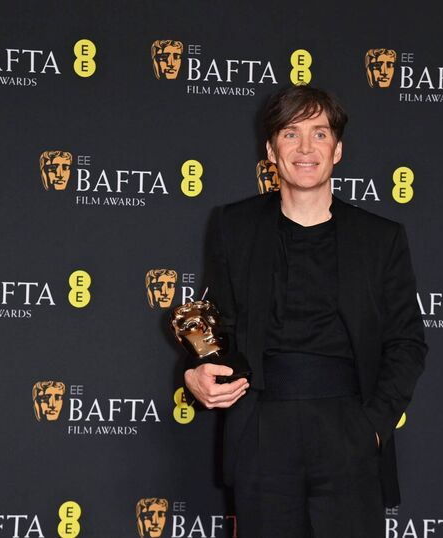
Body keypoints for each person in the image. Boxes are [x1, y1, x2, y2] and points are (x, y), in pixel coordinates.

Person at [183, 86, 427, 537]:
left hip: (348, 428)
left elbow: (407, 342)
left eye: (319, 133)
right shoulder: (234, 226)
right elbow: (219, 324)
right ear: (271, 150)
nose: (305, 148)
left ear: (338, 149)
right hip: (262, 428)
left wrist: (373, 427)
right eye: (290, 134)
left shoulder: (381, 238)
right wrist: (195, 373)